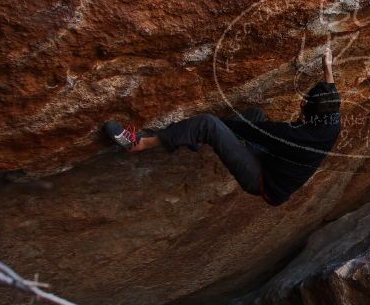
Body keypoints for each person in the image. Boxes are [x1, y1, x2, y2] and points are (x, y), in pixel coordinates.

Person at [103, 49, 341, 206]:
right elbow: (330, 95)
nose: (302, 103)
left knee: (208, 123)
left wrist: (212, 130)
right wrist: (327, 67)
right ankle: (192, 136)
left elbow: (252, 132)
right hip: (274, 161)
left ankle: (141, 143)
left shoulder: (293, 138)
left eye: (305, 104)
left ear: (310, 114)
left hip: (263, 180)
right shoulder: (331, 121)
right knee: (254, 115)